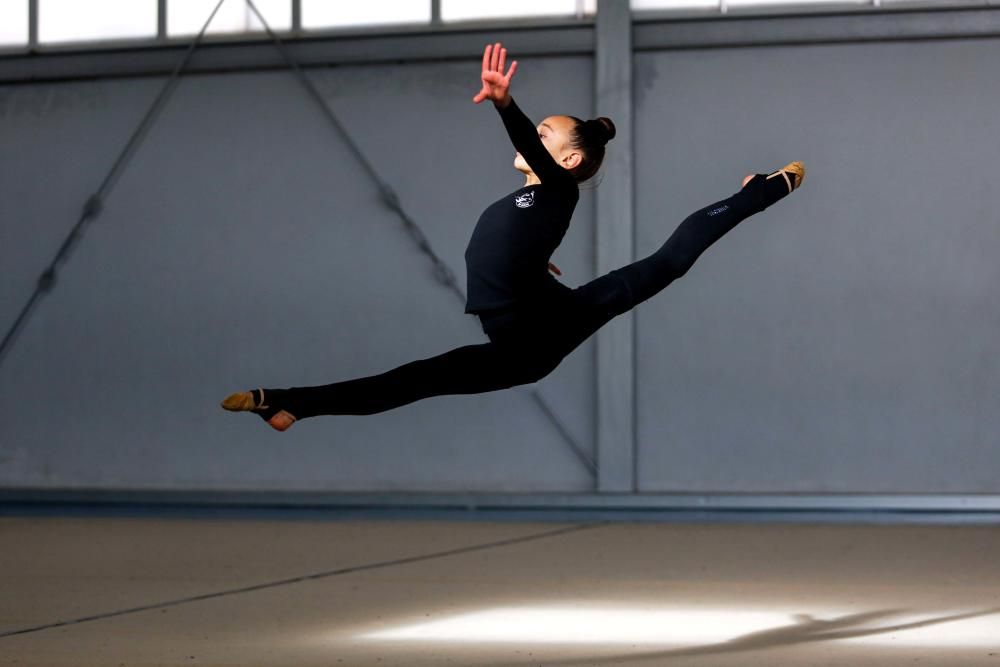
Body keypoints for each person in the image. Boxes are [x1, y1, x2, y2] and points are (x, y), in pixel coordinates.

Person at [221, 41, 805, 432]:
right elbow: (517, 239)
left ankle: (761, 190)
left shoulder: (557, 187)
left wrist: (507, 105)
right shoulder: (531, 199)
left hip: (535, 328)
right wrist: (535, 262)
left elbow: (531, 162)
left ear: (569, 159)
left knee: (667, 262)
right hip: (529, 332)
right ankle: (291, 402)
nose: (533, 139)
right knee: (414, 380)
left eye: (545, 135)